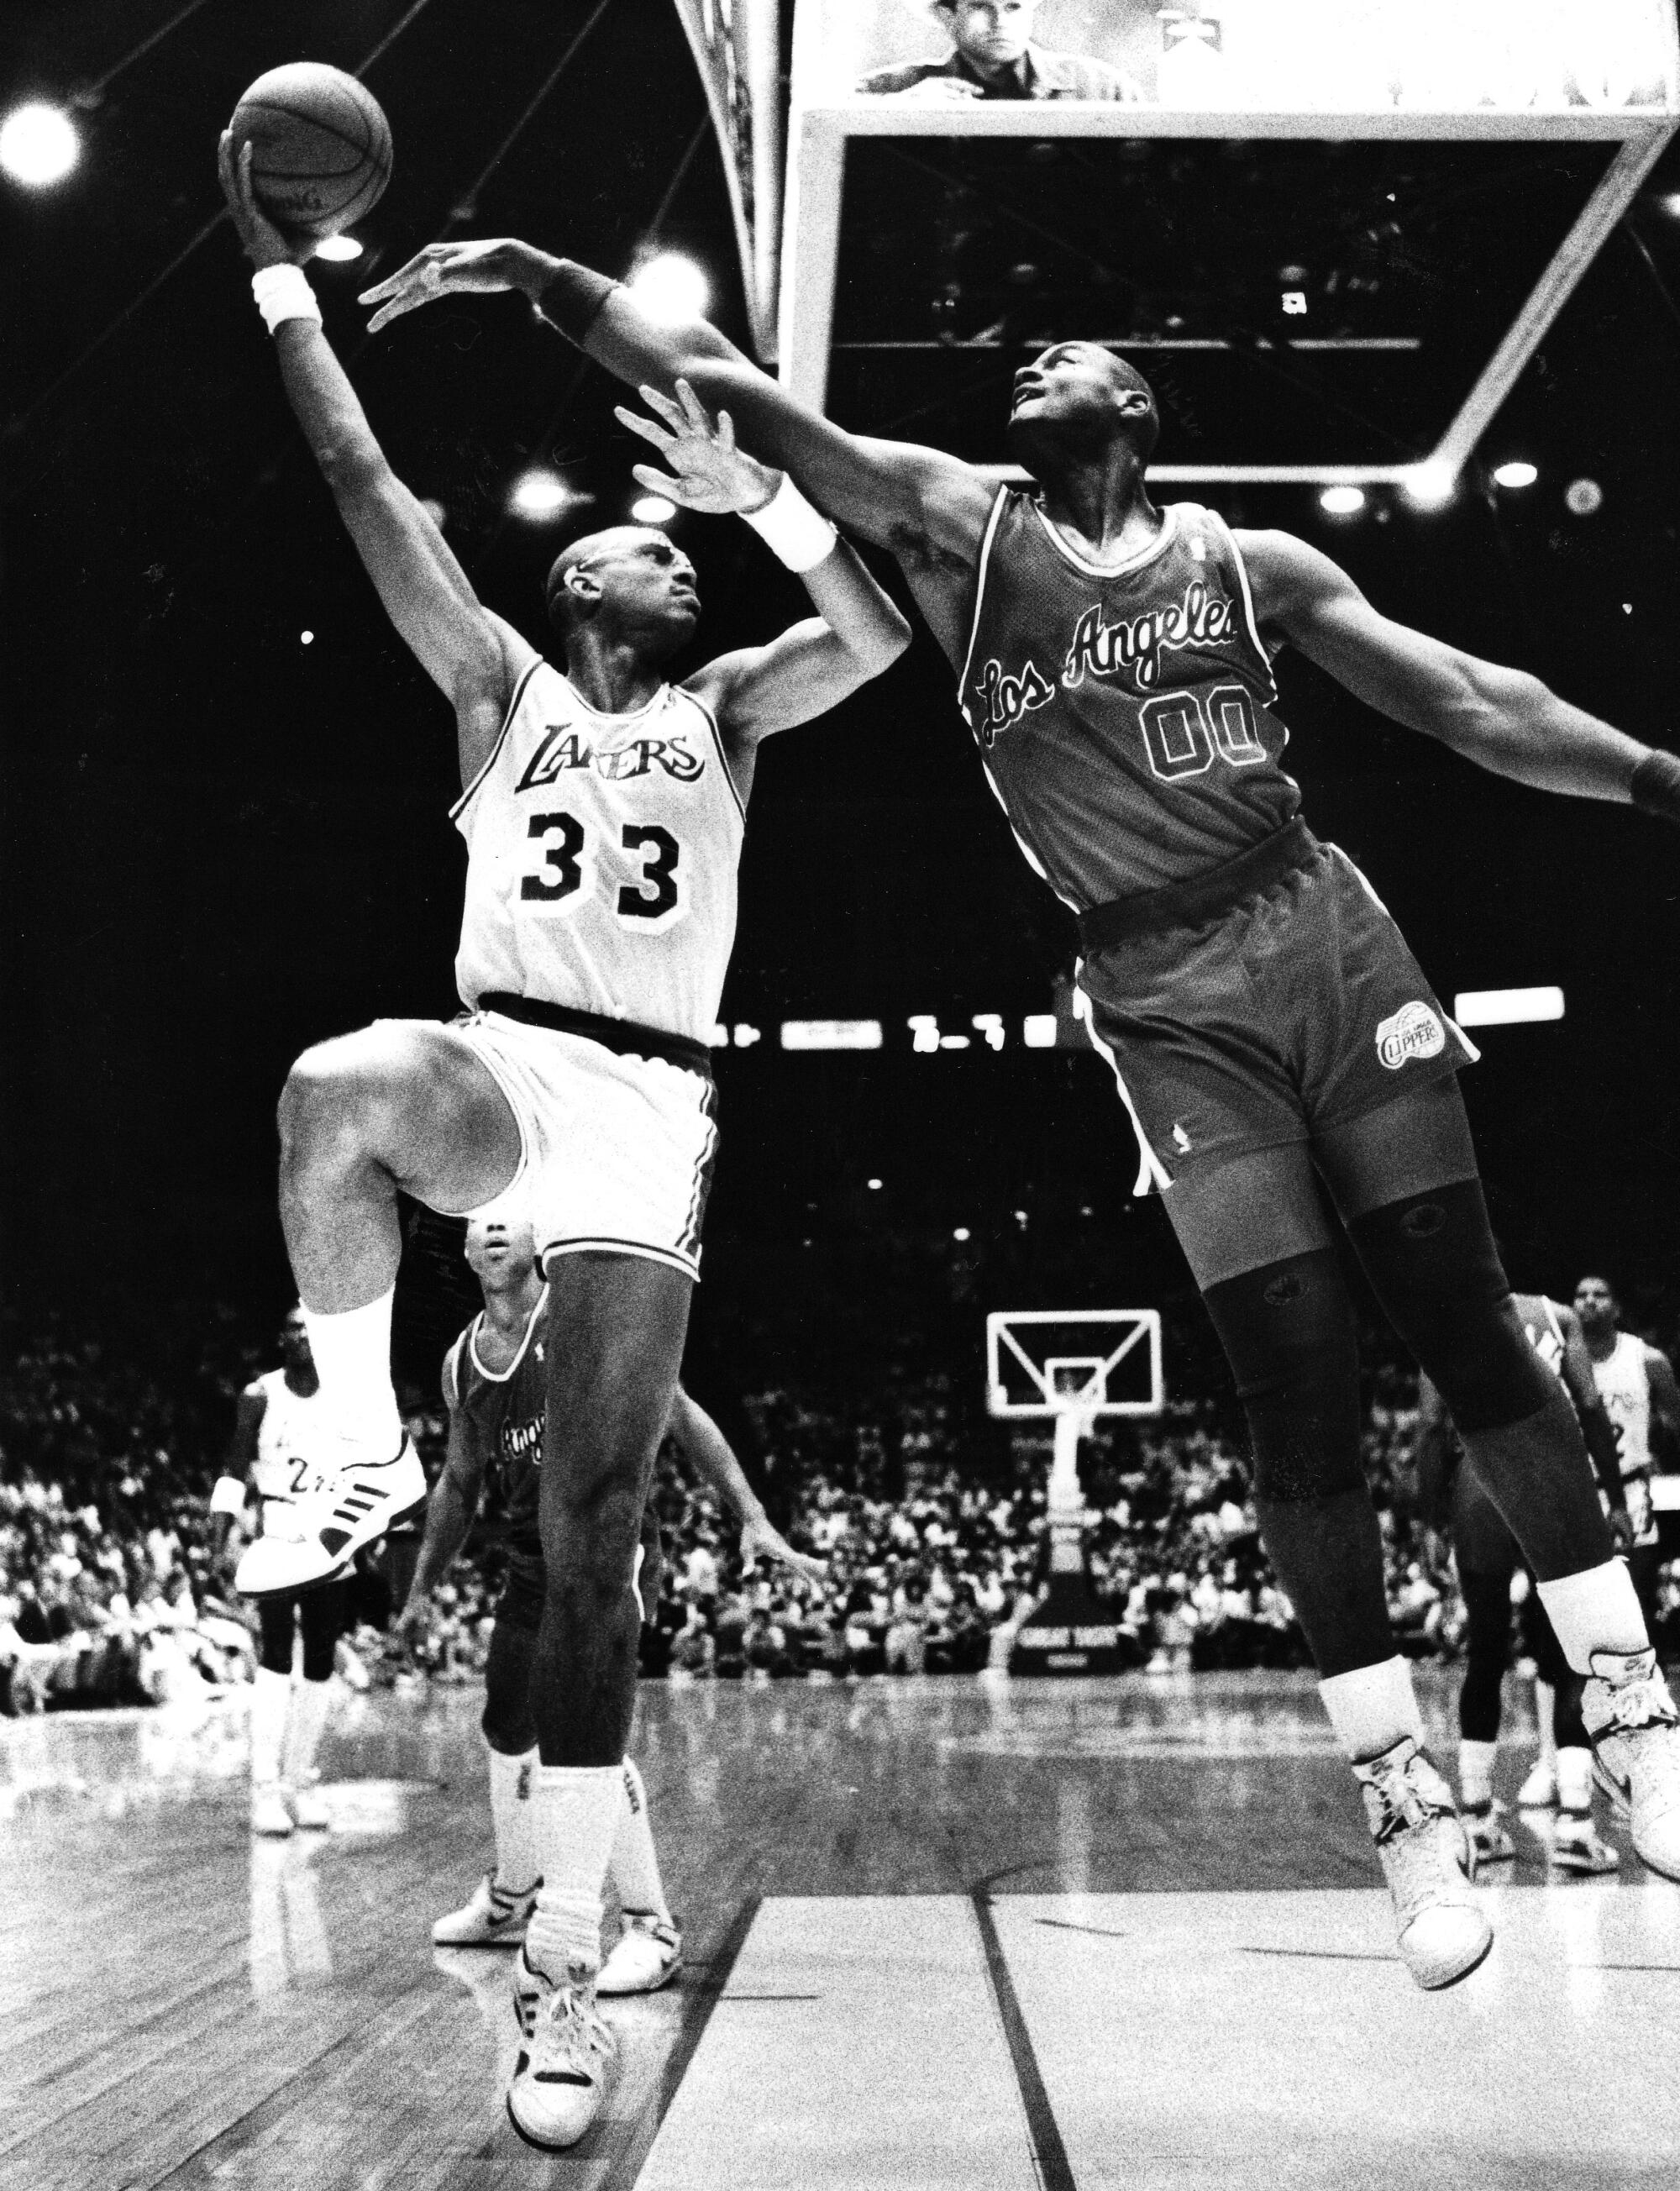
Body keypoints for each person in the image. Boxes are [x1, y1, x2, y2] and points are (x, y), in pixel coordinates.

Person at [361, 227, 1680, 1997]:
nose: (1023, 374)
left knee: (1457, 1307)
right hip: (1151, 983)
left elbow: (1464, 700)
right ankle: (1399, 1800)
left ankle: (1631, 1689)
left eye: (1060, 358)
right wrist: (536, 276)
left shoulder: (1246, 558)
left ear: (1135, 403)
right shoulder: (957, 523)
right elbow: (734, 387)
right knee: (1289, 1372)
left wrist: (1658, 779)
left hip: (1317, 923)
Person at [216, 139, 906, 2150]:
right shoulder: (496, 689)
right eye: (632, 542)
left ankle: (561, 1980)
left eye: (673, 547)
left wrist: (755, 492)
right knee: (335, 1085)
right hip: (505, 1062)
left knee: (593, 1551)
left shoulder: (729, 708)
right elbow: (364, 487)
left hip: (653, 1116)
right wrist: (279, 282)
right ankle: (355, 1426)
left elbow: (863, 630)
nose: (653, 550)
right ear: (564, 591)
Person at [396, 1212, 822, 2000]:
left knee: (581, 1725)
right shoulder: (462, 1361)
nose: (492, 1231)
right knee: (505, 1722)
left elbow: (681, 1410)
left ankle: (650, 1925)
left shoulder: (581, 1321)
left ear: (539, 1238)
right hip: (531, 1558)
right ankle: (514, 1896)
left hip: (603, 1547)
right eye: (478, 1223)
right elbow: (458, 1484)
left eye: (508, 1220)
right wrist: (423, 1586)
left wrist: (752, 1515)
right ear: (462, 1249)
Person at [1413, 1294, 1630, 1874]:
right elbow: (1588, 1407)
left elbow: (1432, 1430)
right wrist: (1615, 1496)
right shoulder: (1559, 1318)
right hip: (1554, 1486)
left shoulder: (1442, 1320)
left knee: (1485, 1655)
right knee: (1569, 1659)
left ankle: (1478, 1820)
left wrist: (1430, 1519)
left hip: (1479, 1489)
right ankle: (1577, 1824)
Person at [212, 1308, 348, 1837]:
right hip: (278, 1534)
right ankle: (265, 1791)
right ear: (280, 1337)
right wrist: (218, 1540)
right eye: (292, 1327)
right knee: (274, 1656)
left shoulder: (344, 1395)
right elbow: (233, 1469)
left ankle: (300, 1784)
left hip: (331, 1539)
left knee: (319, 1661)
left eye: (310, 1327)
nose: (301, 1335)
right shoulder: (260, 1395)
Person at [1573, 1274, 1680, 1637]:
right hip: (1576, 1493)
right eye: (1581, 1295)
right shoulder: (1554, 1363)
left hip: (1631, 1489)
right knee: (1579, 1615)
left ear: (1616, 1309)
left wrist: (1657, 1458)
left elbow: (1675, 1426)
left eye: (1599, 1294)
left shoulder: (1647, 1360)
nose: (1588, 1301)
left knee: (1635, 1609)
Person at [858, 0, 1143, 102]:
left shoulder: (1105, 89)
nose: (1000, 22)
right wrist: (898, 114)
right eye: (981, 5)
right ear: (947, 15)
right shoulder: (886, 90)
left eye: (1013, 6)